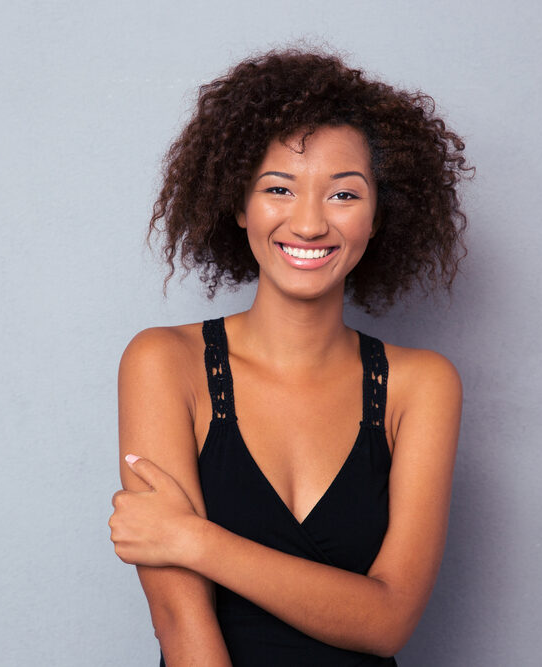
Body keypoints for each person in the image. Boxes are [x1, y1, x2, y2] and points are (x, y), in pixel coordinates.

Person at [108, 48, 471, 666]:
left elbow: (386, 623)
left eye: (343, 195)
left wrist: (193, 540)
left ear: (380, 215)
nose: (308, 224)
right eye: (279, 188)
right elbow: (178, 620)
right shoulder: (164, 362)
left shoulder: (422, 386)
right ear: (237, 204)